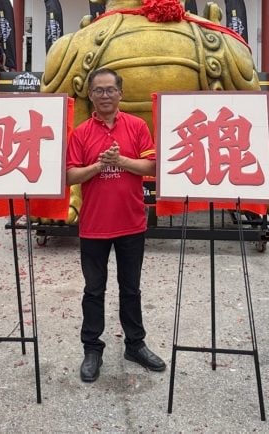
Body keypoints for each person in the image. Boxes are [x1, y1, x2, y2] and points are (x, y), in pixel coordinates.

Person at [66, 67, 164, 383]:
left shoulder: (136, 126)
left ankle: (135, 344)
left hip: (131, 223)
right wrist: (99, 165)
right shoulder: (80, 133)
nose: (105, 95)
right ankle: (92, 349)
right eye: (99, 90)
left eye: (111, 90)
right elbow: (69, 175)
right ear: (90, 95)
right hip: (94, 225)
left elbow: (152, 165)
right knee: (93, 290)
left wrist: (120, 161)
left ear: (120, 93)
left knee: (131, 288)